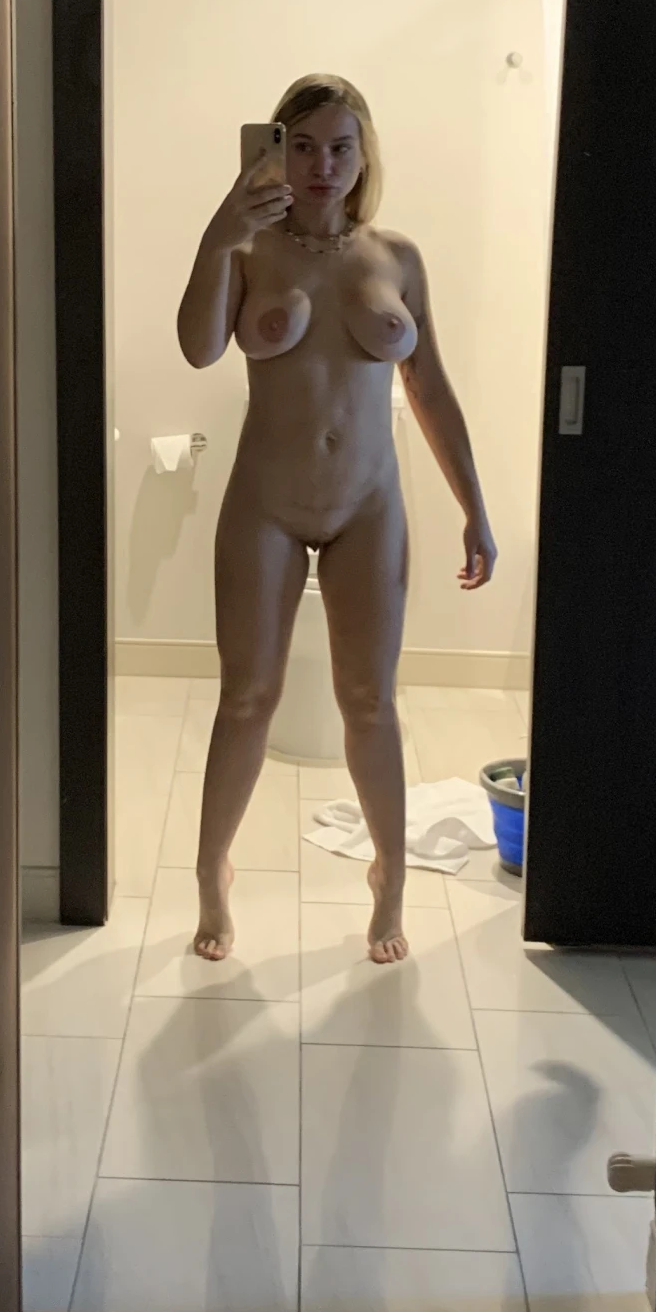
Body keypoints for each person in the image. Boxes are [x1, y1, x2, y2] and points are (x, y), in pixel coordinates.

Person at [176, 73, 496, 966]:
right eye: (304, 146)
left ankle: (389, 877)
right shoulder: (248, 249)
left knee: (370, 702)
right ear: (276, 153)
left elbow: (429, 387)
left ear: (364, 157)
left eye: (340, 148)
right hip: (266, 502)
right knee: (247, 697)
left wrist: (475, 506)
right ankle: (211, 872)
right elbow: (198, 347)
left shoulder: (397, 256)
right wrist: (217, 234)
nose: (322, 165)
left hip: (369, 506)